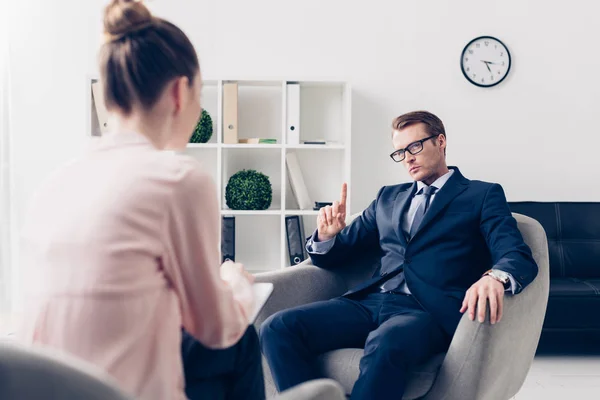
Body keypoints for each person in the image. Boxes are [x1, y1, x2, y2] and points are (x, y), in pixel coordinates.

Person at [18, 1, 264, 399]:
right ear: (179, 92)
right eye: (200, 94)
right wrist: (236, 285)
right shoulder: (178, 179)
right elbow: (216, 329)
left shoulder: (54, 184)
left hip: (47, 388)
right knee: (242, 337)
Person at [259, 110, 539, 399]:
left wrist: (494, 277)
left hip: (426, 311)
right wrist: (327, 236)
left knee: (387, 341)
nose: (408, 158)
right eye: (400, 152)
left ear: (440, 141)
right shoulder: (387, 197)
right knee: (277, 328)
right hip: (370, 302)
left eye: (415, 147)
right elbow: (339, 255)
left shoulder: (481, 195)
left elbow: (515, 253)